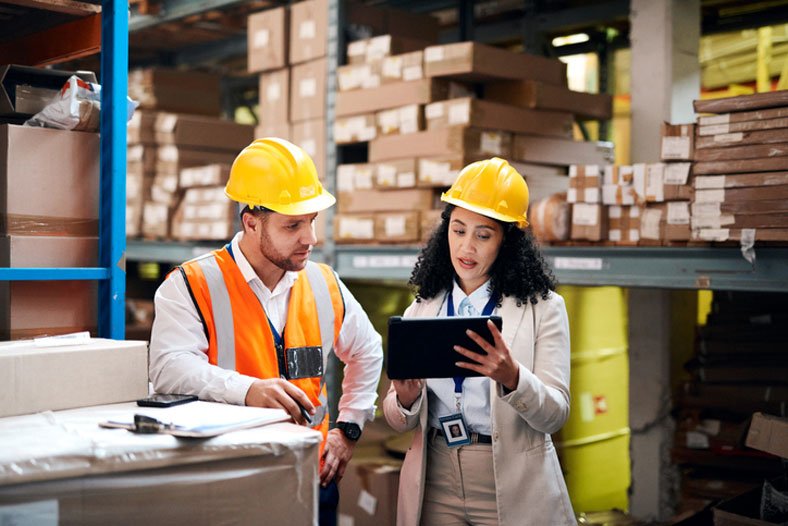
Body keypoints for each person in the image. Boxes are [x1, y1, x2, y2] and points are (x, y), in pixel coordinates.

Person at [149, 138, 384, 526]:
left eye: (311, 221)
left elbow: (368, 350)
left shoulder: (325, 284)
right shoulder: (191, 284)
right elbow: (169, 367)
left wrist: (349, 429)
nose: (309, 238)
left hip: (311, 476)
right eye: (293, 225)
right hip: (229, 481)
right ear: (251, 223)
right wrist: (247, 390)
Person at [383, 158, 575, 525]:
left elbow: (555, 414)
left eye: (483, 235)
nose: (466, 247)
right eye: (458, 230)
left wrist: (513, 378)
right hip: (436, 477)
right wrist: (405, 400)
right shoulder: (423, 309)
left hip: (509, 478)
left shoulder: (543, 309)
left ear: (507, 241)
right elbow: (396, 417)